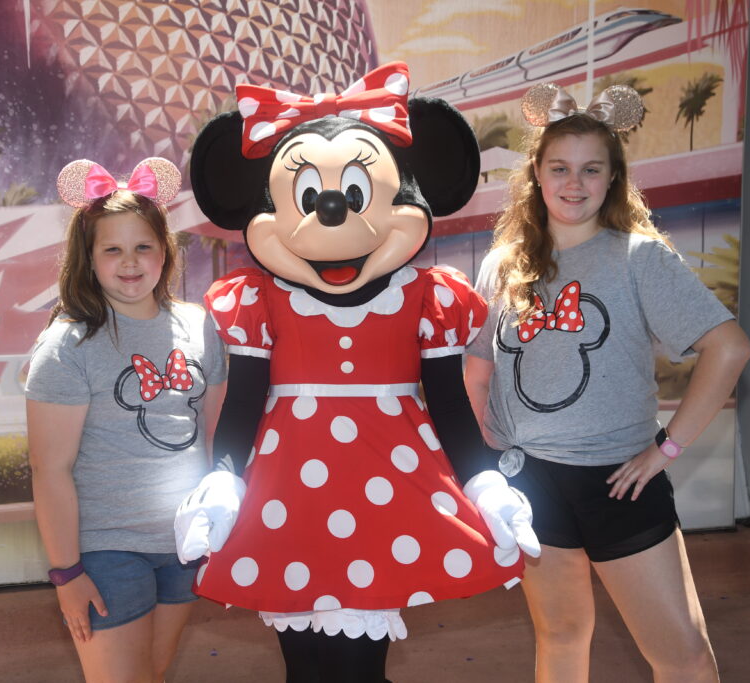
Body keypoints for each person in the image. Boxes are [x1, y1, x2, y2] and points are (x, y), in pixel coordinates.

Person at [174, 62, 537, 682]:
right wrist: (223, 480)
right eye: (309, 198)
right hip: (286, 500)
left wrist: (484, 483)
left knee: (359, 666)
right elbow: (244, 403)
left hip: (388, 497)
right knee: (305, 667)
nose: (334, 214)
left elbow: (450, 404)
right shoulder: (258, 300)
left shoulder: (429, 296)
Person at [465, 83, 750, 683]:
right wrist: (488, 453)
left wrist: (665, 448)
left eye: (591, 170)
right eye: (560, 168)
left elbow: (729, 349)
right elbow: (479, 366)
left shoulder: (639, 259)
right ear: (536, 176)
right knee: (561, 636)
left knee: (683, 654)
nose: (575, 183)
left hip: (619, 481)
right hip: (531, 482)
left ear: (612, 178)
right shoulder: (502, 265)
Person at [25, 157, 226, 682]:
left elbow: (217, 440)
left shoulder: (202, 328)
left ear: (166, 251)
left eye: (143, 247)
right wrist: (67, 574)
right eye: (112, 249)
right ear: (88, 259)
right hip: (106, 551)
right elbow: (50, 471)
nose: (130, 262)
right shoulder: (68, 346)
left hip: (182, 546)